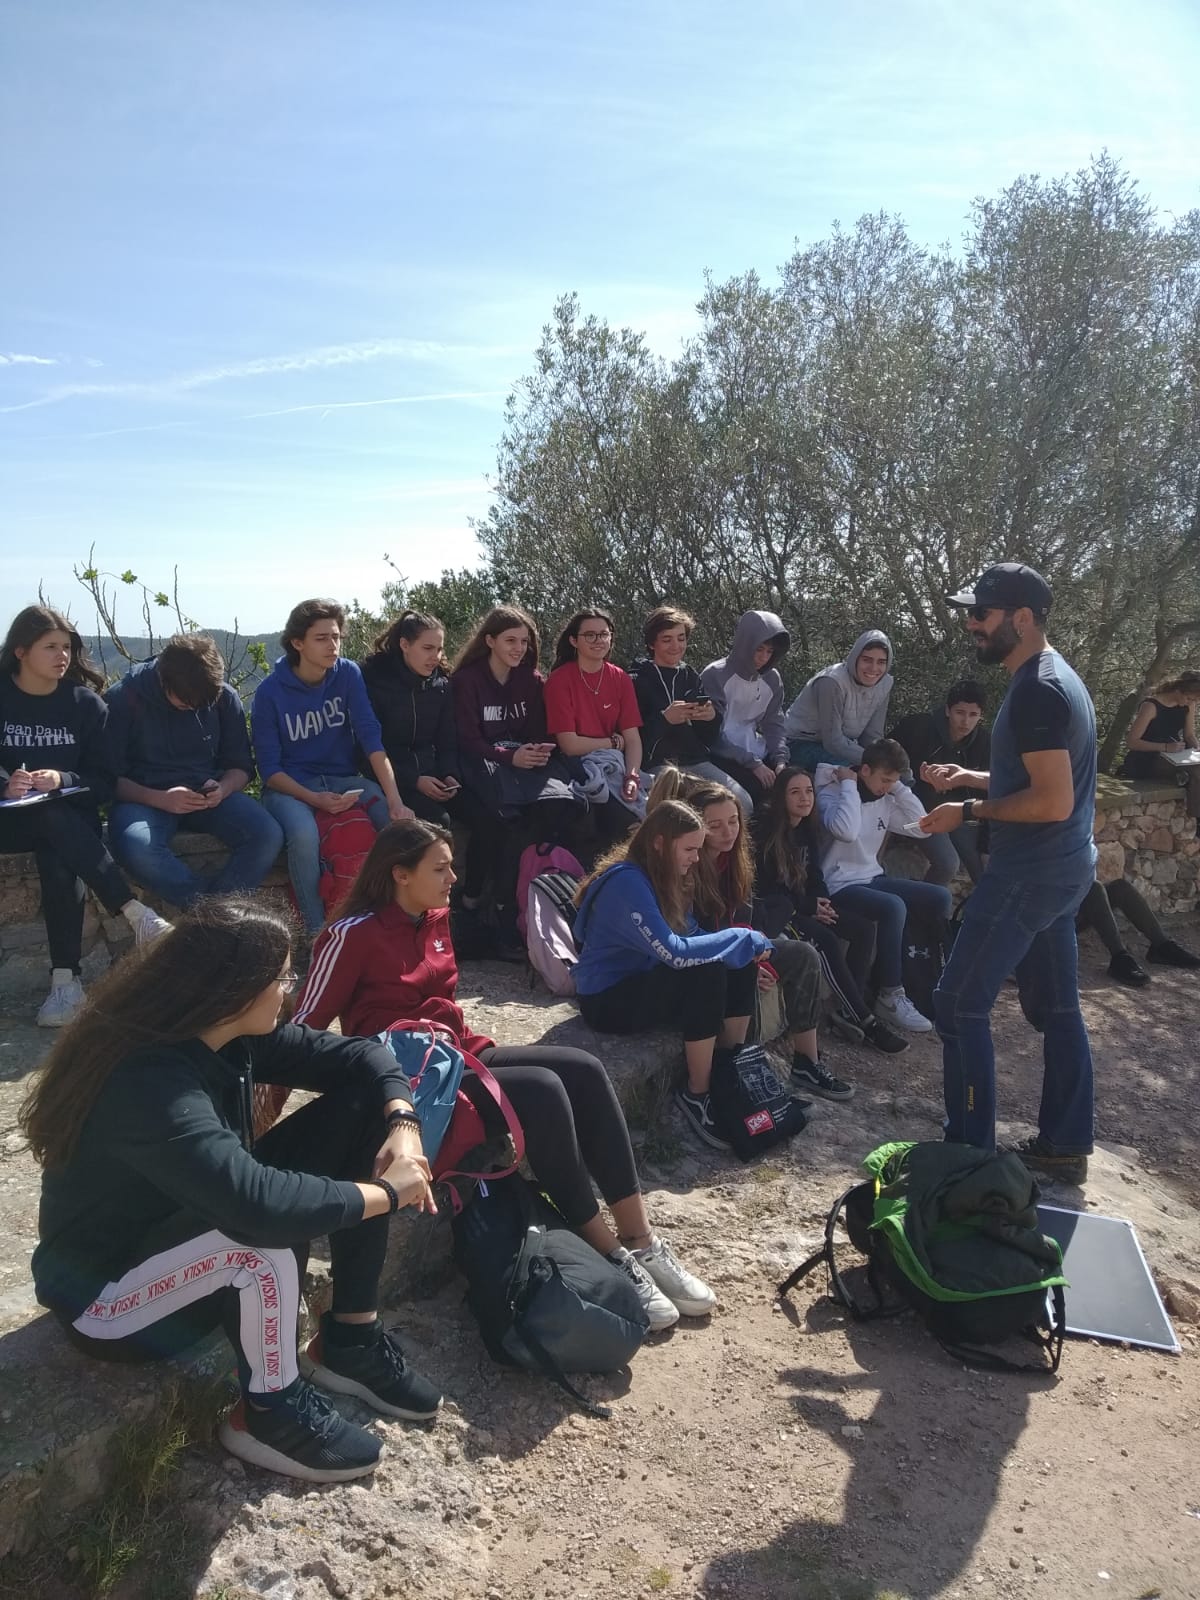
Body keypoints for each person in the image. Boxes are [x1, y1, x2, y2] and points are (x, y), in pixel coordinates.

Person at [20, 896, 443, 1484]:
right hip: (108, 1300)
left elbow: (365, 1056)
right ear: (234, 990)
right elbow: (255, 1205)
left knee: (362, 1109)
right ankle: (268, 1413)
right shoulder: (149, 1083)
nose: (290, 992)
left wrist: (402, 1122)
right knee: (258, 1236)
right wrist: (388, 1194)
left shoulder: (225, 1035)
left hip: (182, 1230)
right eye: (282, 978)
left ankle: (350, 1339)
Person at [295, 821, 715, 1330]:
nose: (454, 878)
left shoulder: (434, 917)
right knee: (542, 1091)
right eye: (440, 868)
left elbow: (444, 1008)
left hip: (455, 1057)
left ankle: (641, 1241)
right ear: (399, 874)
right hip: (406, 1083)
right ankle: (609, 1253)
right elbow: (301, 1032)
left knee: (584, 1069)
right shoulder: (351, 934)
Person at [921, 563, 1097, 1185]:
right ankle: (1065, 1145)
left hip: (1030, 872)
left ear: (1021, 618)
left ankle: (969, 1156)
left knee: (957, 1003)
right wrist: (972, 777)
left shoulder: (1036, 691)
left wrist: (968, 811)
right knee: (1058, 1007)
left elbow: (1052, 801)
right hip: (1066, 868)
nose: (971, 624)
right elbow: (1044, 778)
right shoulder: (1056, 676)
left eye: (981, 614)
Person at [0, 605, 169, 1026]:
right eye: (50, 647)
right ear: (21, 651)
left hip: (69, 822)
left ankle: (65, 987)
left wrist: (62, 778)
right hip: (8, 822)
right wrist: (5, 784)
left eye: (67, 647)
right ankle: (133, 913)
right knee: (51, 820)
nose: (63, 656)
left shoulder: (85, 705)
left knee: (56, 838)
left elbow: (105, 781)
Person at [573, 800, 769, 1151]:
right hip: (606, 1000)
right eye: (690, 849)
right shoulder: (627, 883)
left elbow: (692, 935)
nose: (697, 858)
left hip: (645, 981)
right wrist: (741, 937)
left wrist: (743, 948)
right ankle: (698, 1093)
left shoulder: (666, 876)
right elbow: (675, 953)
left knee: (735, 961)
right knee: (708, 969)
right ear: (659, 843)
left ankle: (730, 1066)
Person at [652, 769, 848, 1104]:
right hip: (706, 959)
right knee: (743, 977)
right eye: (715, 826)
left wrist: (757, 953)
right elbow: (691, 935)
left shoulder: (736, 861)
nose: (728, 832)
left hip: (737, 947)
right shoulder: (687, 866)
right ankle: (741, 1072)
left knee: (804, 955)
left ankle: (807, 1062)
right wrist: (747, 959)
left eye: (733, 822)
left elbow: (743, 922)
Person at [250, 599, 412, 936]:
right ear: (298, 643)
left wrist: (395, 800)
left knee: (394, 825)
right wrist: (314, 799)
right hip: (290, 787)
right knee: (303, 834)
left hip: (342, 778)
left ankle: (397, 922)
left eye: (336, 637)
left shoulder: (347, 674)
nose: (333, 646)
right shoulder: (269, 693)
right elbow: (270, 771)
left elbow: (371, 738)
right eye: (321, 638)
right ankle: (316, 934)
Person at [105, 634, 283, 908]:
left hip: (209, 796)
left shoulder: (223, 698)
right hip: (144, 799)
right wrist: (160, 798)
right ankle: (212, 913)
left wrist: (223, 788)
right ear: (163, 679)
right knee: (137, 847)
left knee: (267, 834)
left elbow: (241, 767)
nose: (191, 710)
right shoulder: (123, 699)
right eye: (184, 704)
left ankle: (214, 914)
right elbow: (106, 779)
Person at [753, 767, 908, 1056]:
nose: (804, 798)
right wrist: (809, 907)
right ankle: (866, 1020)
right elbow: (766, 888)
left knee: (863, 929)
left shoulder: (806, 827)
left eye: (809, 791)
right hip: (778, 912)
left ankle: (849, 1011)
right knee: (824, 940)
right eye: (795, 792)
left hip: (804, 904)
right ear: (781, 796)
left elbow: (814, 874)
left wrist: (821, 901)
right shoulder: (765, 829)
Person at [450, 604, 579, 929]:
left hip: (521, 764)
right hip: (481, 765)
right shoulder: (467, 681)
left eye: (524, 641)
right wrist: (510, 757)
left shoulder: (530, 680)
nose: (519, 648)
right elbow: (468, 740)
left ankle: (520, 900)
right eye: (511, 640)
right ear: (490, 640)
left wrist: (536, 750)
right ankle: (477, 902)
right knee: (502, 820)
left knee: (558, 807)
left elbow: (537, 730)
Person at [815, 738, 951, 1034]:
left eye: (893, 781)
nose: (887, 787)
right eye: (884, 779)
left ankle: (926, 979)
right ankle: (890, 995)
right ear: (865, 770)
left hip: (871, 878)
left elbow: (922, 827)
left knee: (939, 897)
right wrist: (849, 785)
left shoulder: (887, 798)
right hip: (838, 884)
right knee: (893, 906)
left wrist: (900, 789)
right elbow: (846, 831)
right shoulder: (832, 792)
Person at [628, 607, 752, 811]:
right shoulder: (635, 680)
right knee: (686, 809)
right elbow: (632, 738)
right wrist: (664, 719)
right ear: (652, 643)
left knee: (742, 803)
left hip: (695, 762)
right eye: (667, 639)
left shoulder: (690, 676)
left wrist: (710, 718)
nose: (676, 646)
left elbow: (708, 738)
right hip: (656, 765)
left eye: (681, 638)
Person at [544, 607, 645, 840]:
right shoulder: (559, 680)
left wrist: (632, 777)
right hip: (574, 764)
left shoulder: (620, 678)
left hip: (614, 763)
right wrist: (612, 742)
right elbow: (569, 745)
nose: (598, 640)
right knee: (626, 822)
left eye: (604, 634)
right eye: (589, 635)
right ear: (574, 641)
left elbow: (632, 739)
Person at [359, 611, 461, 825]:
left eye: (439, 649)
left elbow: (447, 741)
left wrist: (450, 774)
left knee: (486, 810)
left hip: (434, 777)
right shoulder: (374, 682)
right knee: (439, 821)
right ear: (404, 645)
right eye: (427, 648)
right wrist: (414, 781)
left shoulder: (441, 686)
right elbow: (364, 752)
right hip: (393, 782)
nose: (436, 657)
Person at [889, 680, 991, 886]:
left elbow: (991, 792)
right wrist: (911, 780)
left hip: (960, 813)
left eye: (973, 715)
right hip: (918, 810)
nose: (965, 721)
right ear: (947, 710)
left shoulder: (984, 742)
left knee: (985, 868)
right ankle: (926, 904)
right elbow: (885, 757)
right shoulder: (918, 727)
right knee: (947, 863)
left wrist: (986, 846)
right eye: (960, 712)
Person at [699, 610, 791, 808]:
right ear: (746, 643)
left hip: (756, 748)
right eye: (759, 649)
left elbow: (773, 723)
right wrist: (753, 764)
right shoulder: (715, 674)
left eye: (770, 652)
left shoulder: (772, 679)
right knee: (759, 793)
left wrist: (780, 760)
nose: (763, 657)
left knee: (793, 786)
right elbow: (711, 734)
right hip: (721, 753)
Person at [784, 630, 894, 771]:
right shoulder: (832, 682)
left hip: (844, 744)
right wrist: (874, 762)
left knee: (889, 771)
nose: (873, 668)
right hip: (798, 742)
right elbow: (832, 741)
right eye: (867, 660)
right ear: (855, 658)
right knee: (859, 773)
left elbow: (872, 736)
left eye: (881, 662)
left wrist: (888, 762)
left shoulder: (884, 684)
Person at [1076, 875, 1199, 986]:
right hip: (1064, 919)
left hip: (1072, 905)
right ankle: (1119, 958)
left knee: (1121, 888)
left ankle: (1162, 946)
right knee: (1094, 888)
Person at [1119, 670, 1199, 777]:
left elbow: (1189, 736)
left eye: (1195, 700)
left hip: (1175, 755)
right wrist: (1166, 747)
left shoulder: (1188, 705)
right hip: (1145, 759)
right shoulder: (1150, 706)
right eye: (1189, 698)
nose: (1190, 702)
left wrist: (1197, 749)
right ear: (1178, 690)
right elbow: (1132, 742)